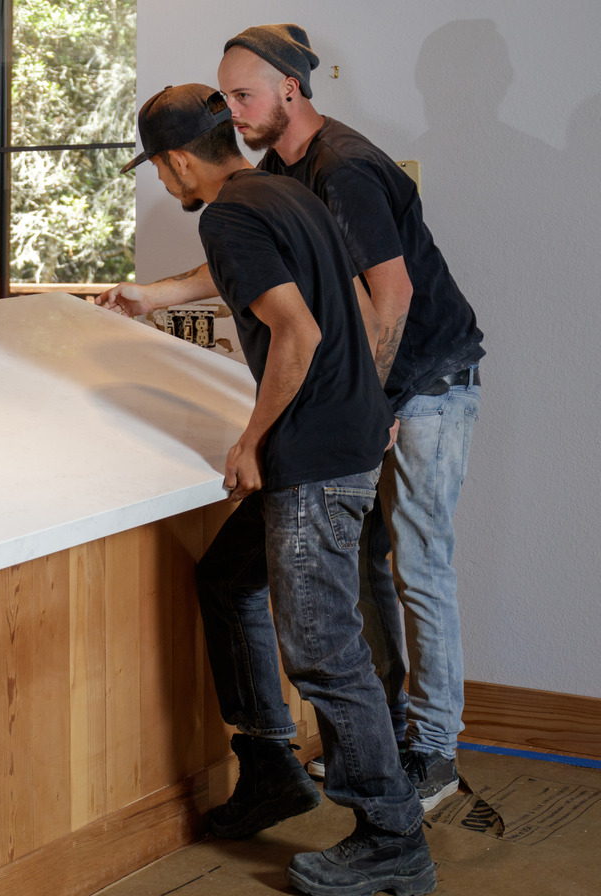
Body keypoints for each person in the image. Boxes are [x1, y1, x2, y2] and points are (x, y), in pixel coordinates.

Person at [100, 23, 485, 813]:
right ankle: (366, 753)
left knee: (417, 564)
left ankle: (433, 753)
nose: (232, 113)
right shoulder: (275, 174)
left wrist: (364, 404)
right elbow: (271, 264)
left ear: (291, 89)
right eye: (224, 99)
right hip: (359, 396)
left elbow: (391, 296)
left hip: (426, 380)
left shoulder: (342, 168)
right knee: (356, 572)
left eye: (243, 95)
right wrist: (156, 294)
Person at [116, 85, 433, 896]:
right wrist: (153, 295)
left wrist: (252, 439)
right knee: (227, 580)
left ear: (178, 159)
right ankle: (269, 765)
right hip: (348, 436)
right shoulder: (279, 191)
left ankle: (391, 836)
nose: (162, 182)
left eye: (159, 168)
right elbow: (285, 291)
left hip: (314, 457)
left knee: (324, 652)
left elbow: (297, 330)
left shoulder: (229, 215)